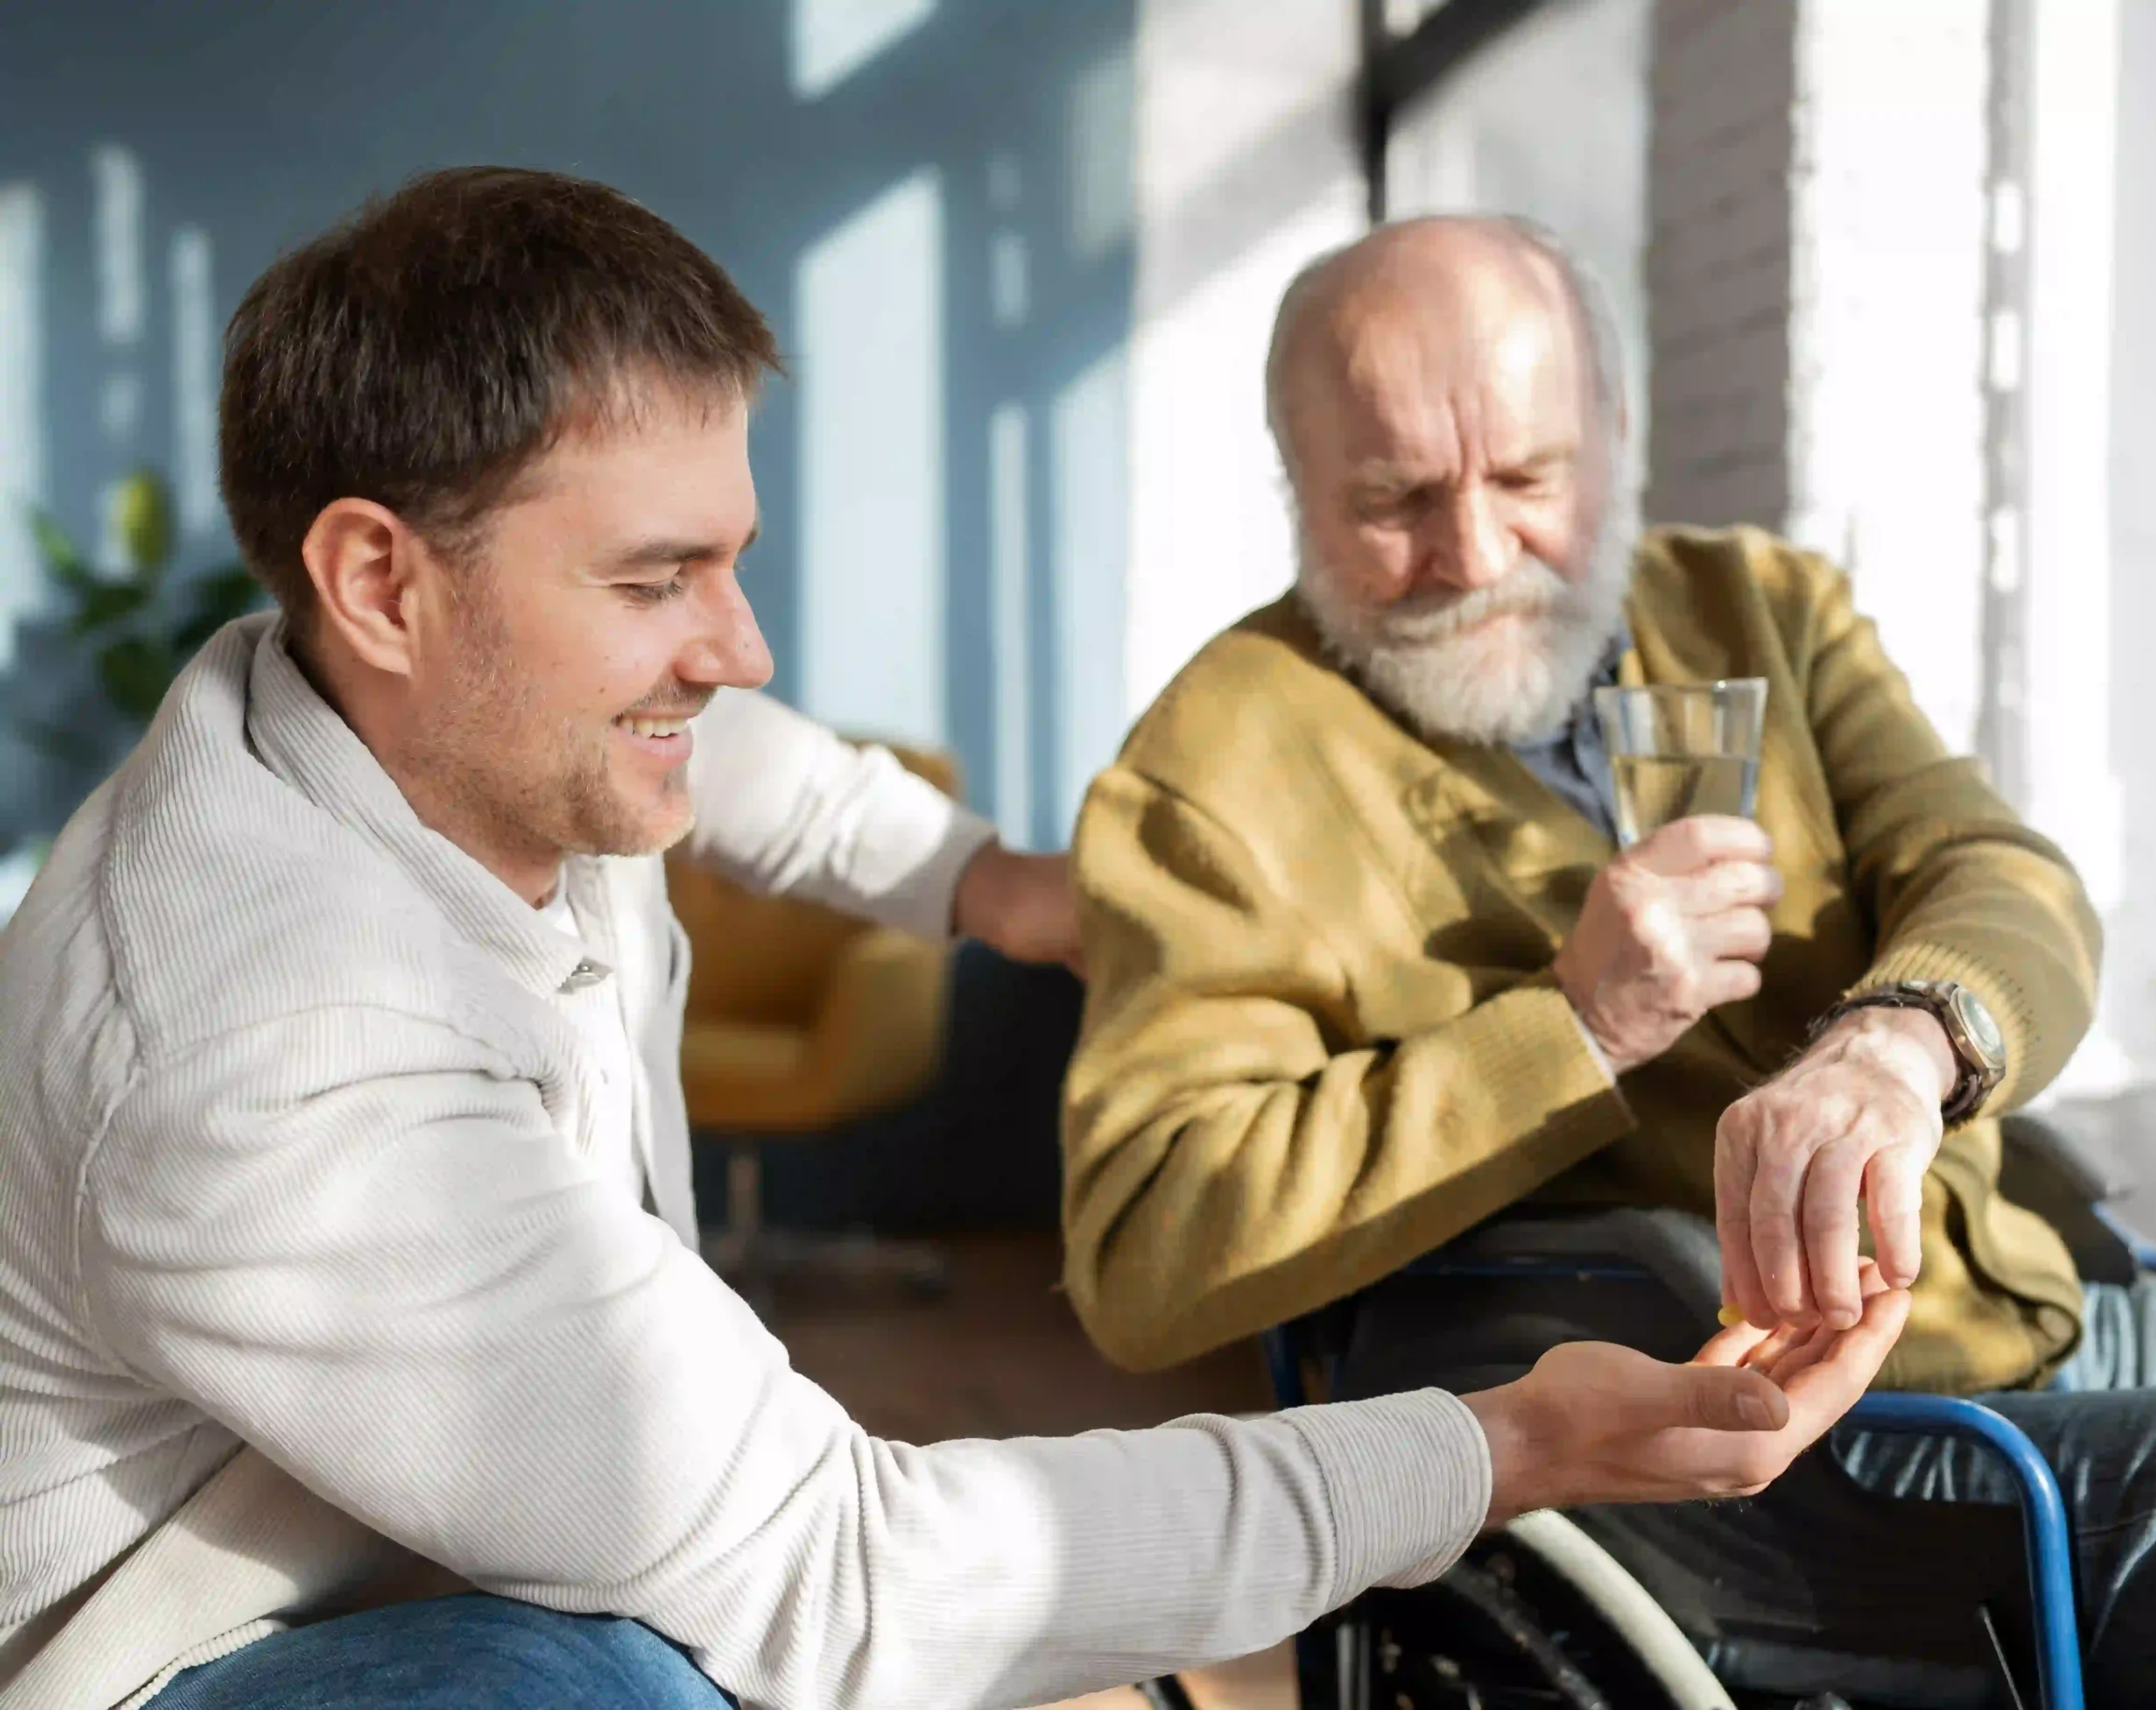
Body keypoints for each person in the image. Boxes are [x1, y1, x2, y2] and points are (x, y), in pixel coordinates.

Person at [0, 170, 1908, 1710]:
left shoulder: (422, 716)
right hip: (196, 1654)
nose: (737, 643)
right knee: (614, 1678)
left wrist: (995, 884)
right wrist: (1499, 1446)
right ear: (377, 578)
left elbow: (746, 759)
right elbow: (843, 1571)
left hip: (436, 1508)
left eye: (727, 556)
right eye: (656, 579)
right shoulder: (278, 1053)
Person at [1061, 213, 2156, 1706]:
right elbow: (1144, 1255)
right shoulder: (1213, 771)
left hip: (2033, 1297)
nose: (1475, 554)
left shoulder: (1765, 607)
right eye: (1394, 500)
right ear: (1294, 487)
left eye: (1528, 478)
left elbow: (2000, 874)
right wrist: (1568, 1029)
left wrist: (1900, 1045)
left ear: (1617, 438)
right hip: (1799, 1476)